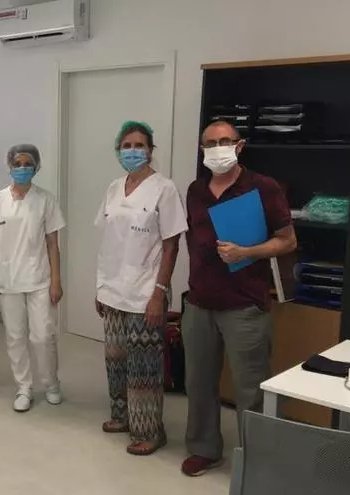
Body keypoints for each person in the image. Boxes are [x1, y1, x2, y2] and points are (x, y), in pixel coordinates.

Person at [181, 120, 297, 476]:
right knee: (198, 383)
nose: (218, 148)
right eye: (210, 143)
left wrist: (248, 252)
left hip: (244, 304)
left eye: (225, 141)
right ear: (202, 150)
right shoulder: (196, 190)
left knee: (251, 387)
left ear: (239, 145)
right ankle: (204, 448)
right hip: (200, 301)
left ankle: (257, 460)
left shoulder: (263, 187)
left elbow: (287, 241)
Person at [95, 121, 187, 456]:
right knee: (116, 359)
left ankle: (150, 430)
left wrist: (159, 293)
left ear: (150, 150)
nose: (132, 151)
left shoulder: (164, 189)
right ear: (118, 150)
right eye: (126, 145)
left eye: (139, 145)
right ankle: (122, 417)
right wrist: (100, 287)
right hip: (112, 290)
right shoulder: (114, 188)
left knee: (144, 364)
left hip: (146, 292)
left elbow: (171, 244)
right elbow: (108, 241)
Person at [0, 144, 65, 413]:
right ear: (9, 166)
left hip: (39, 278)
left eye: (27, 163)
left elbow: (53, 243)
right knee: (15, 337)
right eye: (17, 164)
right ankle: (24, 387)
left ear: (36, 167)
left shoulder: (45, 200)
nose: (22, 168)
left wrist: (56, 281)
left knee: (43, 337)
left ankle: (51, 383)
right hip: (8, 279)